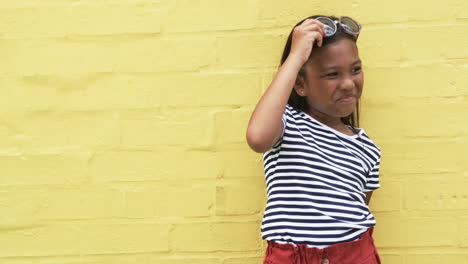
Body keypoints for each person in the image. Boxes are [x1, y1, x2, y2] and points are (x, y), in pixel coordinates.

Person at [246, 15, 382, 264]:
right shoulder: (286, 123)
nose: (348, 83)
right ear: (300, 84)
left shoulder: (368, 149)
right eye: (332, 74)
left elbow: (357, 209)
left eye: (355, 69)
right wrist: (296, 56)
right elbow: (257, 138)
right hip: (292, 257)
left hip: (356, 254)